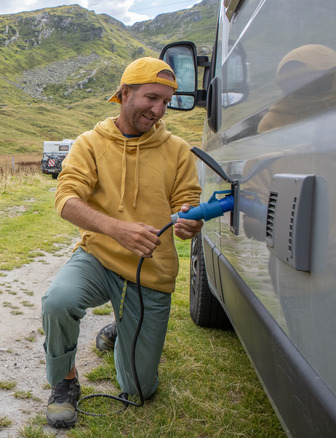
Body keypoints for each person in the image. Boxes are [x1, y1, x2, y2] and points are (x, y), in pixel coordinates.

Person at [41, 57, 203, 428]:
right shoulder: (90, 143)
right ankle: (64, 383)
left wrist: (190, 220)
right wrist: (116, 229)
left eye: (166, 101)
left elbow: (188, 200)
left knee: (140, 391)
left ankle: (119, 328)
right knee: (57, 301)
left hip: (152, 271)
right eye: (151, 98)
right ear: (124, 93)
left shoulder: (178, 150)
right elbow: (66, 199)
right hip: (98, 258)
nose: (159, 110)